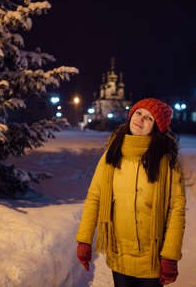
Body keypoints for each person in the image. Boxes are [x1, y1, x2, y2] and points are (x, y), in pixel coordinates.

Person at [75, 98, 186, 286]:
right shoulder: (112, 153)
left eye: (149, 118)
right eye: (138, 113)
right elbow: (95, 196)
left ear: (157, 127)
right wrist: (84, 240)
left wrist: (170, 255)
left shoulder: (167, 162)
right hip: (119, 253)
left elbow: (176, 209)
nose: (141, 119)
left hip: (152, 257)